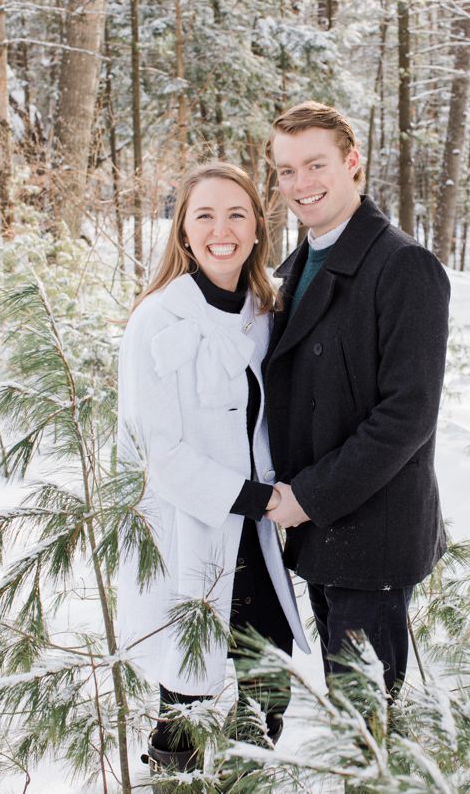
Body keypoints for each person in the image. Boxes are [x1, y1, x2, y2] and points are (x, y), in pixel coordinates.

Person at [117, 163, 310, 774]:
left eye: (236, 214)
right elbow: (158, 454)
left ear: (258, 229)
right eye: (204, 215)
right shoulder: (156, 321)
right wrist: (261, 498)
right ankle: (175, 783)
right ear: (182, 231)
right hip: (190, 530)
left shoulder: (264, 313)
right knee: (186, 694)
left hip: (253, 531)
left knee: (270, 677)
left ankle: (241, 779)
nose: (220, 229)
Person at [261, 101, 450, 700]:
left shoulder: (402, 265)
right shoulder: (293, 267)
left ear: (353, 163)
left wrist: (309, 497)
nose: (300, 185)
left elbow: (408, 415)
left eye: (315, 165)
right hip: (316, 531)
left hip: (370, 535)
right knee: (348, 717)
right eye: (286, 171)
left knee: (365, 725)